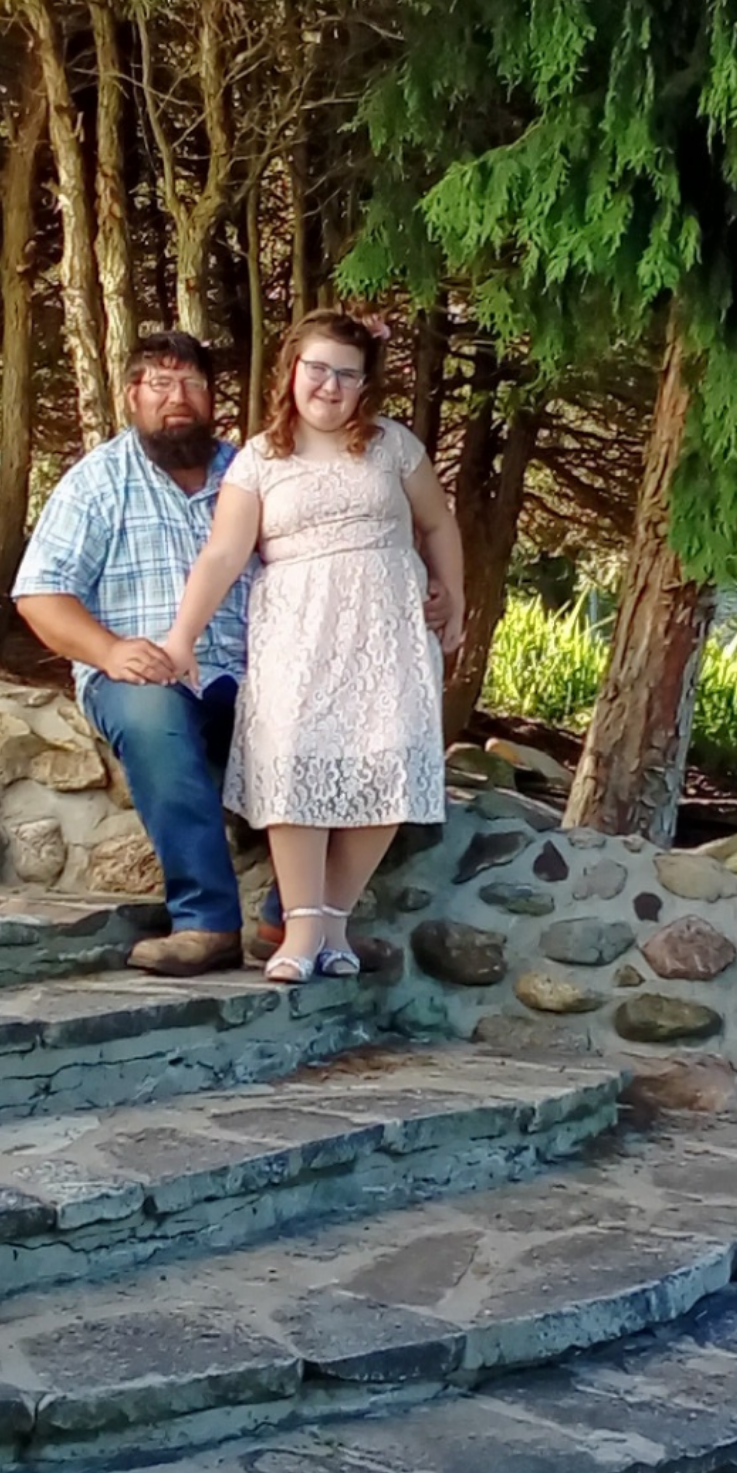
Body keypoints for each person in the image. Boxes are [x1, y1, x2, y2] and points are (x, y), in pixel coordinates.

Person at [14, 328, 456, 977]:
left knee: (343, 731)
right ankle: (207, 921)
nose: (178, 398)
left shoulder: (251, 461)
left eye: (192, 383)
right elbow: (38, 594)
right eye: (160, 384)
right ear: (131, 394)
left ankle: (296, 921)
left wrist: (438, 589)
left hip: (261, 670)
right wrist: (109, 651)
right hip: (149, 671)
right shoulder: (97, 482)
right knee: (155, 724)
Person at [161, 309, 464, 983]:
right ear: (292, 371)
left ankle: (332, 923)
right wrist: (182, 638)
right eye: (318, 369)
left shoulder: (393, 446)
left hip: (387, 631)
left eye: (347, 375)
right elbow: (223, 555)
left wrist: (455, 593)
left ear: (364, 385)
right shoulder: (259, 460)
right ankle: (300, 929)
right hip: (299, 632)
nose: (330, 386)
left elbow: (438, 523)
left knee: (388, 764)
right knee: (294, 764)